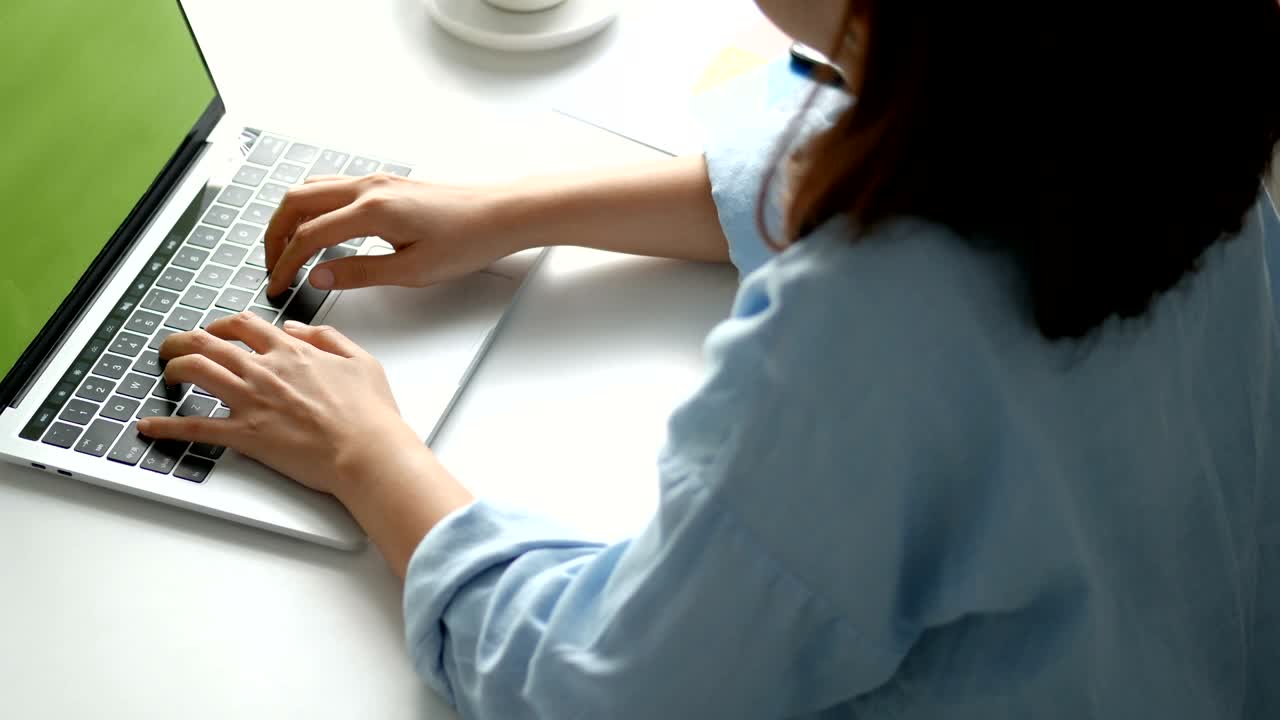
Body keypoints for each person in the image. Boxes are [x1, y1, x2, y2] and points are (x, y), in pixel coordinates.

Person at [135, 0, 1280, 716]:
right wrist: (520, 208)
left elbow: (604, 692)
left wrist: (365, 449)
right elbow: (879, 166)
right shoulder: (1149, 86)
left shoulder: (870, 331)